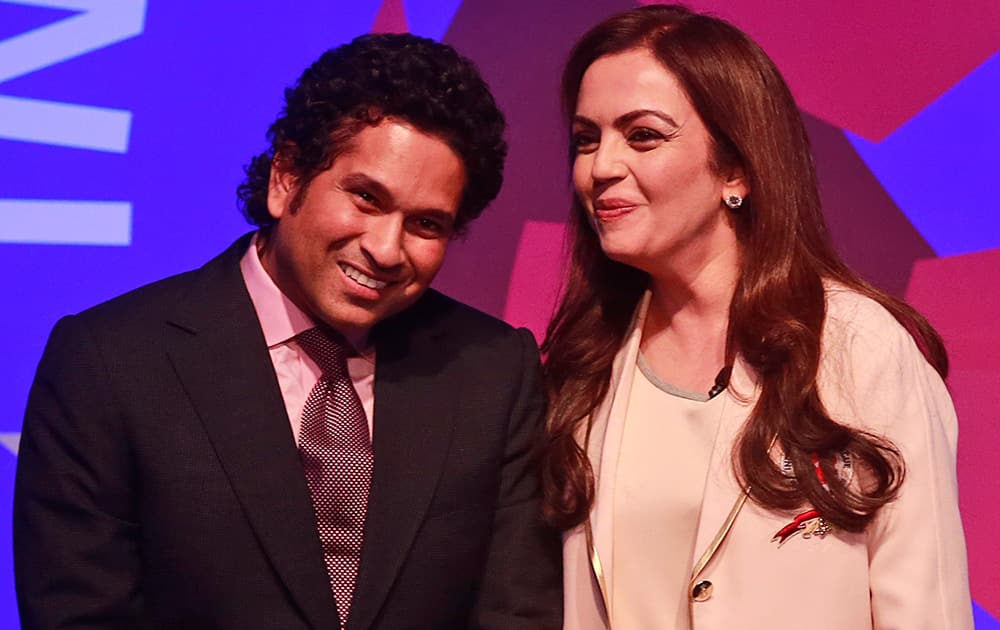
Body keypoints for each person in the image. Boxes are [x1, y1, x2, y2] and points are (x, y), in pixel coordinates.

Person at [14, 33, 562, 630]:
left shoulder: (492, 369)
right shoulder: (110, 360)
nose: (385, 249)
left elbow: (516, 612)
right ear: (285, 177)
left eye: (425, 224)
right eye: (366, 198)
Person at [540, 5, 972, 629]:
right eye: (587, 139)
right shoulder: (587, 369)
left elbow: (925, 610)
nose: (601, 167)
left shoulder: (856, 346)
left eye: (643, 136)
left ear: (736, 167)